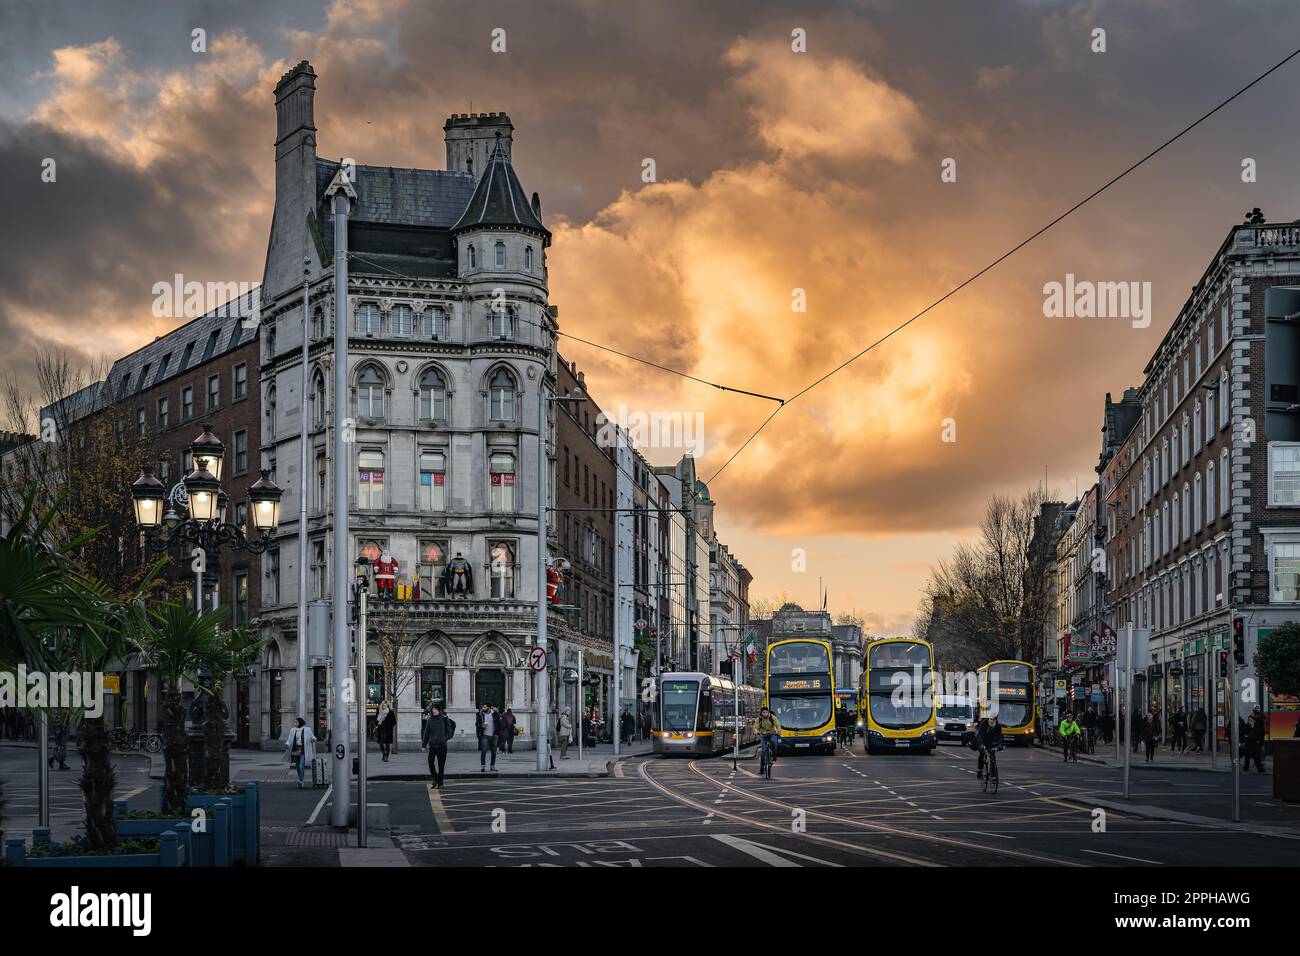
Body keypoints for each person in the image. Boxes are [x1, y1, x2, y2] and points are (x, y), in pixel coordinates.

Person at [421, 703, 455, 788]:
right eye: (433, 710)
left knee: (441, 765)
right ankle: (435, 778)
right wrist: (424, 745)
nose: (434, 711)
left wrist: (444, 738)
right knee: (430, 762)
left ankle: (440, 783)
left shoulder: (444, 719)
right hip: (432, 745)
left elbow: (449, 732)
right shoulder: (430, 720)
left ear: (439, 711)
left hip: (442, 746)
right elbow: (426, 733)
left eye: (435, 710)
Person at [283, 717, 316, 789]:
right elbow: (289, 739)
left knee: (301, 766)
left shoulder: (307, 729)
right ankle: (300, 779)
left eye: (296, 722)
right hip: (295, 750)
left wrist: (313, 739)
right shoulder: (293, 730)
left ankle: (301, 781)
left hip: (303, 751)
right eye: (294, 722)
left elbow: (313, 737)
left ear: (300, 722)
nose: (294, 724)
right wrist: (287, 744)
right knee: (298, 767)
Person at [974, 713, 1003, 780]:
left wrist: (1000, 745)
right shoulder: (984, 723)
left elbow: (999, 736)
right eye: (991, 719)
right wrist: (981, 745)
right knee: (981, 754)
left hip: (991, 742)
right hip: (983, 741)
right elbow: (980, 735)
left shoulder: (998, 726)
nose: (992, 721)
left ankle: (993, 776)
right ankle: (979, 770)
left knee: (993, 757)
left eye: (994, 719)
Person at [475, 703, 499, 772]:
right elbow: (477, 724)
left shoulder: (495, 715)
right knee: (484, 750)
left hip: (494, 735)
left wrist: (497, 733)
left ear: (489, 708)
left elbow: (499, 724)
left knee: (494, 752)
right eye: (483, 707)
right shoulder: (481, 715)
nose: (483, 708)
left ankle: (492, 766)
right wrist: (481, 726)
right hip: (484, 735)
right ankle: (483, 766)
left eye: (485, 707)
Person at [1243, 707, 1266, 772]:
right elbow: (1243, 733)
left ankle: (1260, 769)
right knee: (1247, 757)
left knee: (1257, 757)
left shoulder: (1258, 724)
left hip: (1255, 744)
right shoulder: (1247, 726)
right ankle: (1246, 768)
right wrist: (1245, 738)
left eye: (1251, 720)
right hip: (1249, 744)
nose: (1249, 721)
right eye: (1249, 720)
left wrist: (1259, 741)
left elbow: (1260, 734)